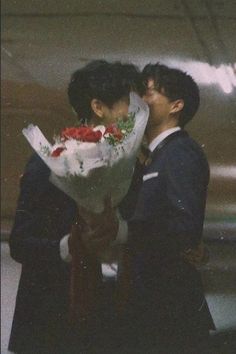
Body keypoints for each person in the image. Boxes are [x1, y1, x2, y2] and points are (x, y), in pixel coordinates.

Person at [8, 60, 142, 354]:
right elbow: (20, 242)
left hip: (109, 321)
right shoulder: (48, 163)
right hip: (51, 321)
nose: (135, 114)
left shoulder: (134, 168)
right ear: (98, 107)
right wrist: (71, 246)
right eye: (130, 104)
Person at [117, 63, 215, 354]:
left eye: (149, 92)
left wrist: (125, 233)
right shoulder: (155, 156)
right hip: (151, 301)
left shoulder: (180, 151)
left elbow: (185, 227)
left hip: (168, 305)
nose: (140, 101)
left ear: (176, 105)